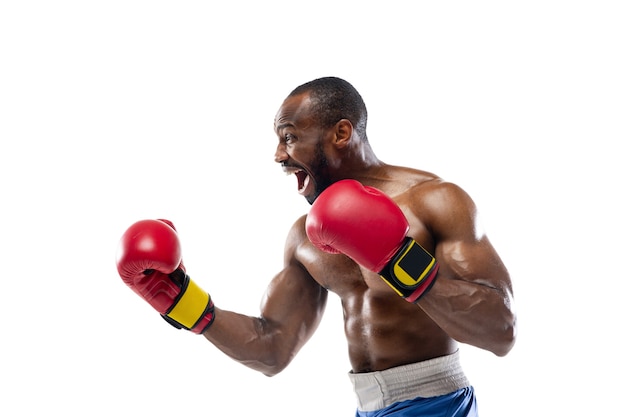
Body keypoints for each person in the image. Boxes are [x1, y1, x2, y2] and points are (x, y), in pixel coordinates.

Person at [116, 76, 517, 416]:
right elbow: (271, 347)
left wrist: (398, 261)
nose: (278, 155)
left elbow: (502, 331)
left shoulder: (435, 200)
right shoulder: (304, 237)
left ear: (341, 133)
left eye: (289, 138)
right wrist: (179, 300)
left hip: (439, 404)